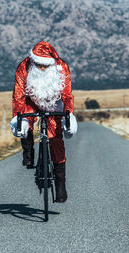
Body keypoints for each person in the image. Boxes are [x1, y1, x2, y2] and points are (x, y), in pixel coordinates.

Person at [10, 41, 77, 203]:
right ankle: (28, 151)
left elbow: (67, 95)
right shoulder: (24, 66)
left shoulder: (62, 67)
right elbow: (18, 94)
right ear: (33, 61)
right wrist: (19, 117)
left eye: (44, 66)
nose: (41, 68)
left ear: (51, 63)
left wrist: (68, 115)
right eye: (38, 64)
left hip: (54, 102)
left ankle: (60, 184)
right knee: (23, 122)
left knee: (56, 138)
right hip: (31, 100)